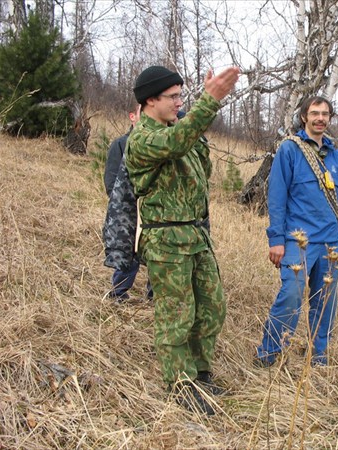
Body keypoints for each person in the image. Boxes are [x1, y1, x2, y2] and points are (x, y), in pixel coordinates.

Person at [125, 65, 239, 415]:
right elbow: (174, 145)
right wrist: (209, 102)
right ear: (150, 101)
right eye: (173, 97)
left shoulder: (178, 130)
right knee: (177, 315)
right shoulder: (142, 138)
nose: (179, 103)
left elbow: (200, 165)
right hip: (166, 239)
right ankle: (180, 385)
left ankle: (200, 374)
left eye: (181, 96)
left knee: (211, 308)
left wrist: (195, 127)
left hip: (195, 234)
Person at [255, 96, 338, 367]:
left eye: (325, 113)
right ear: (304, 117)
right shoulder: (290, 149)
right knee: (290, 296)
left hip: (331, 243)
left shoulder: (333, 154)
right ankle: (269, 353)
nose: (320, 118)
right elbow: (276, 197)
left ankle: (318, 355)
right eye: (315, 113)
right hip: (298, 242)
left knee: (326, 304)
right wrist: (276, 239)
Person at [103, 105, 153, 302]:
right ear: (133, 117)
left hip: (152, 212)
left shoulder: (158, 144)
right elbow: (112, 180)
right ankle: (118, 293)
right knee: (128, 253)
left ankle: (153, 295)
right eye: (142, 114)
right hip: (129, 211)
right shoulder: (121, 144)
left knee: (154, 253)